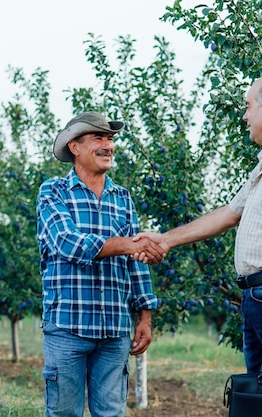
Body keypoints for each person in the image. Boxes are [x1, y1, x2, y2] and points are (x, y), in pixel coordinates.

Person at [136, 74, 262, 376]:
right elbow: (228, 214)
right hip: (257, 297)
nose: (245, 115)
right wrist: (165, 240)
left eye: (248, 106)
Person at [36, 111, 164, 417]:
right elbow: (67, 243)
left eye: (110, 139)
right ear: (75, 147)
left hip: (114, 329)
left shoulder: (123, 198)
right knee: (64, 413)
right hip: (68, 326)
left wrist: (144, 316)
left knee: (111, 413)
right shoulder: (53, 192)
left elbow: (137, 265)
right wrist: (129, 244)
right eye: (98, 138)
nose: (108, 145)